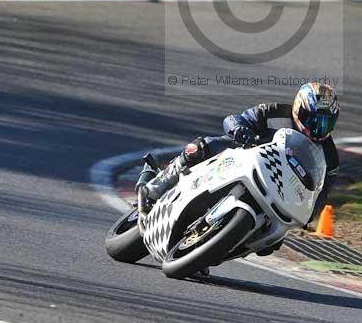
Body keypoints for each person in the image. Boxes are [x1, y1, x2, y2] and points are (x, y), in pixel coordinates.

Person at [136, 82, 340, 224]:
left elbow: (321, 194)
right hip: (244, 157)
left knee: (272, 242)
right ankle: (159, 183)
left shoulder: (330, 156)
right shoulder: (273, 112)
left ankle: (208, 253)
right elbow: (234, 119)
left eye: (324, 123)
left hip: (279, 188)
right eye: (312, 119)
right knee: (204, 146)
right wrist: (240, 130)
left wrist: (309, 214)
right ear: (298, 108)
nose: (316, 129)